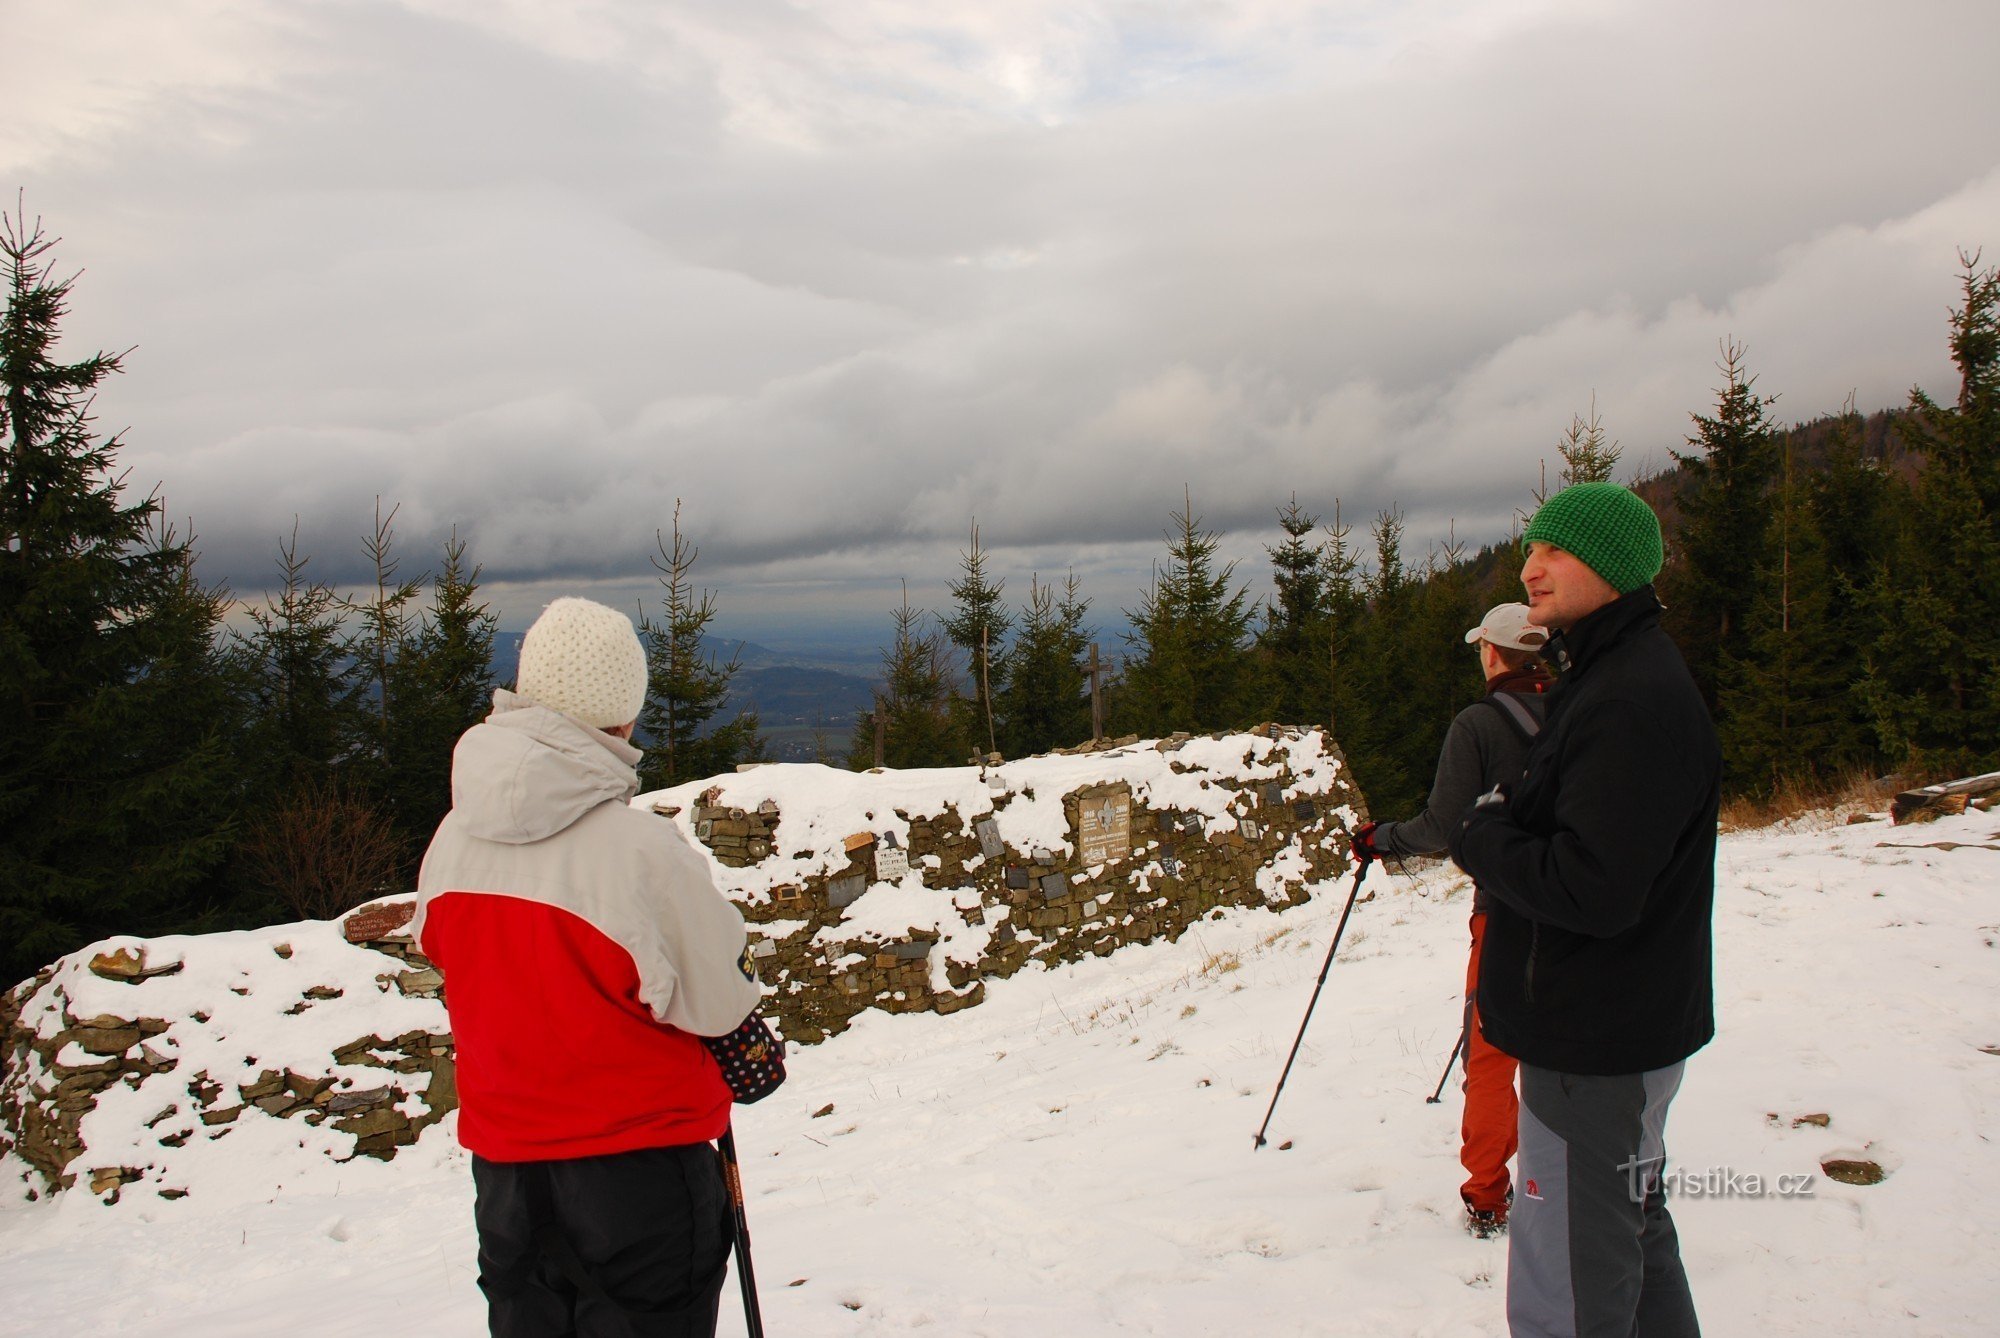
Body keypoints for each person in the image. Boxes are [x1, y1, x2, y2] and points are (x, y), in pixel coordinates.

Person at [413, 596, 762, 1338]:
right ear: (622, 718)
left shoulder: (451, 842)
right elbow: (720, 1002)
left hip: (506, 1178)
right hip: (639, 1175)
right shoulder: (639, 854)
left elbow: (446, 956)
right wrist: (749, 1051)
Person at [1449, 482, 1717, 1338]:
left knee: (1565, 1276)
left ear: (1609, 564)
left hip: (1591, 1040)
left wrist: (1483, 836)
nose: (1530, 568)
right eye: (1531, 549)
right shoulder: (1613, 674)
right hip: (1623, 1030)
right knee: (1630, 1234)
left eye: (1554, 551)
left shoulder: (1627, 699)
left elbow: (1592, 887)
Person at [1353, 602, 1553, 1239]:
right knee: (1566, 1047)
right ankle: (1572, 1176)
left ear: (1492, 654)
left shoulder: (1480, 722)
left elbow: (1442, 827)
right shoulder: (1581, 706)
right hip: (1581, 906)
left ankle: (1488, 1195)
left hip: (1506, 913)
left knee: (1492, 1055)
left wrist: (1380, 838)